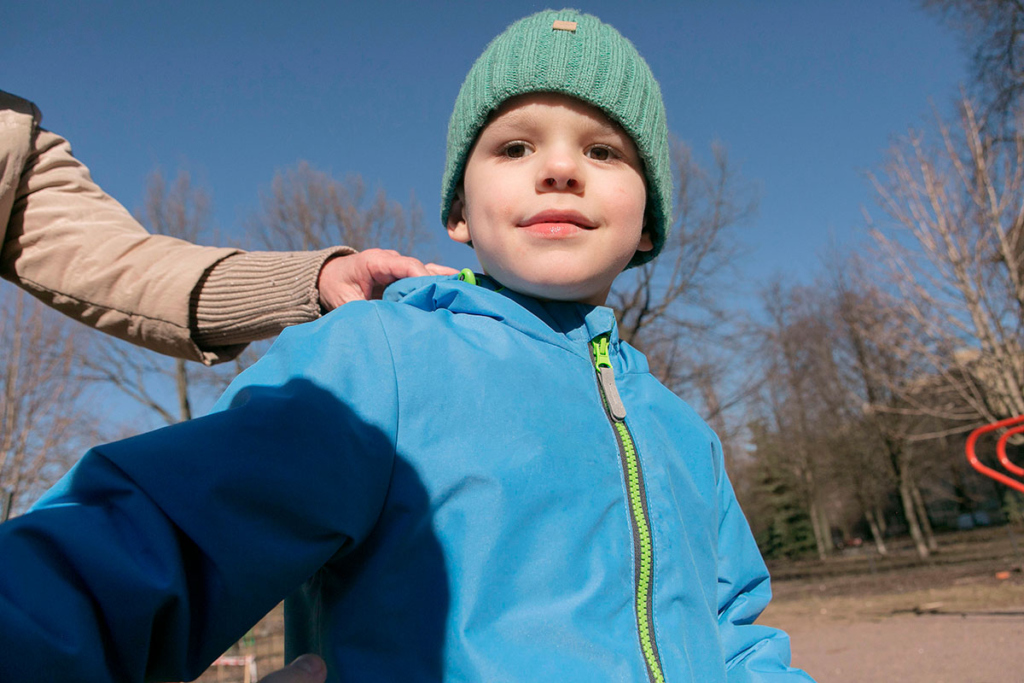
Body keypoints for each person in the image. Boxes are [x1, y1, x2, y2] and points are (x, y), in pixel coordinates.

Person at [0, 10, 815, 682]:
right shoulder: (379, 359)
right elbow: (163, 535)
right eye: (515, 146)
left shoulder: (684, 433)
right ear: (458, 213)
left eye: (604, 150)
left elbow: (735, 632)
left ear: (649, 226)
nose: (561, 167)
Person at [0, 89, 451, 364]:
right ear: (459, 215)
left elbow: (118, 265)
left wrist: (318, 279)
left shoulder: (13, 138)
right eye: (511, 150)